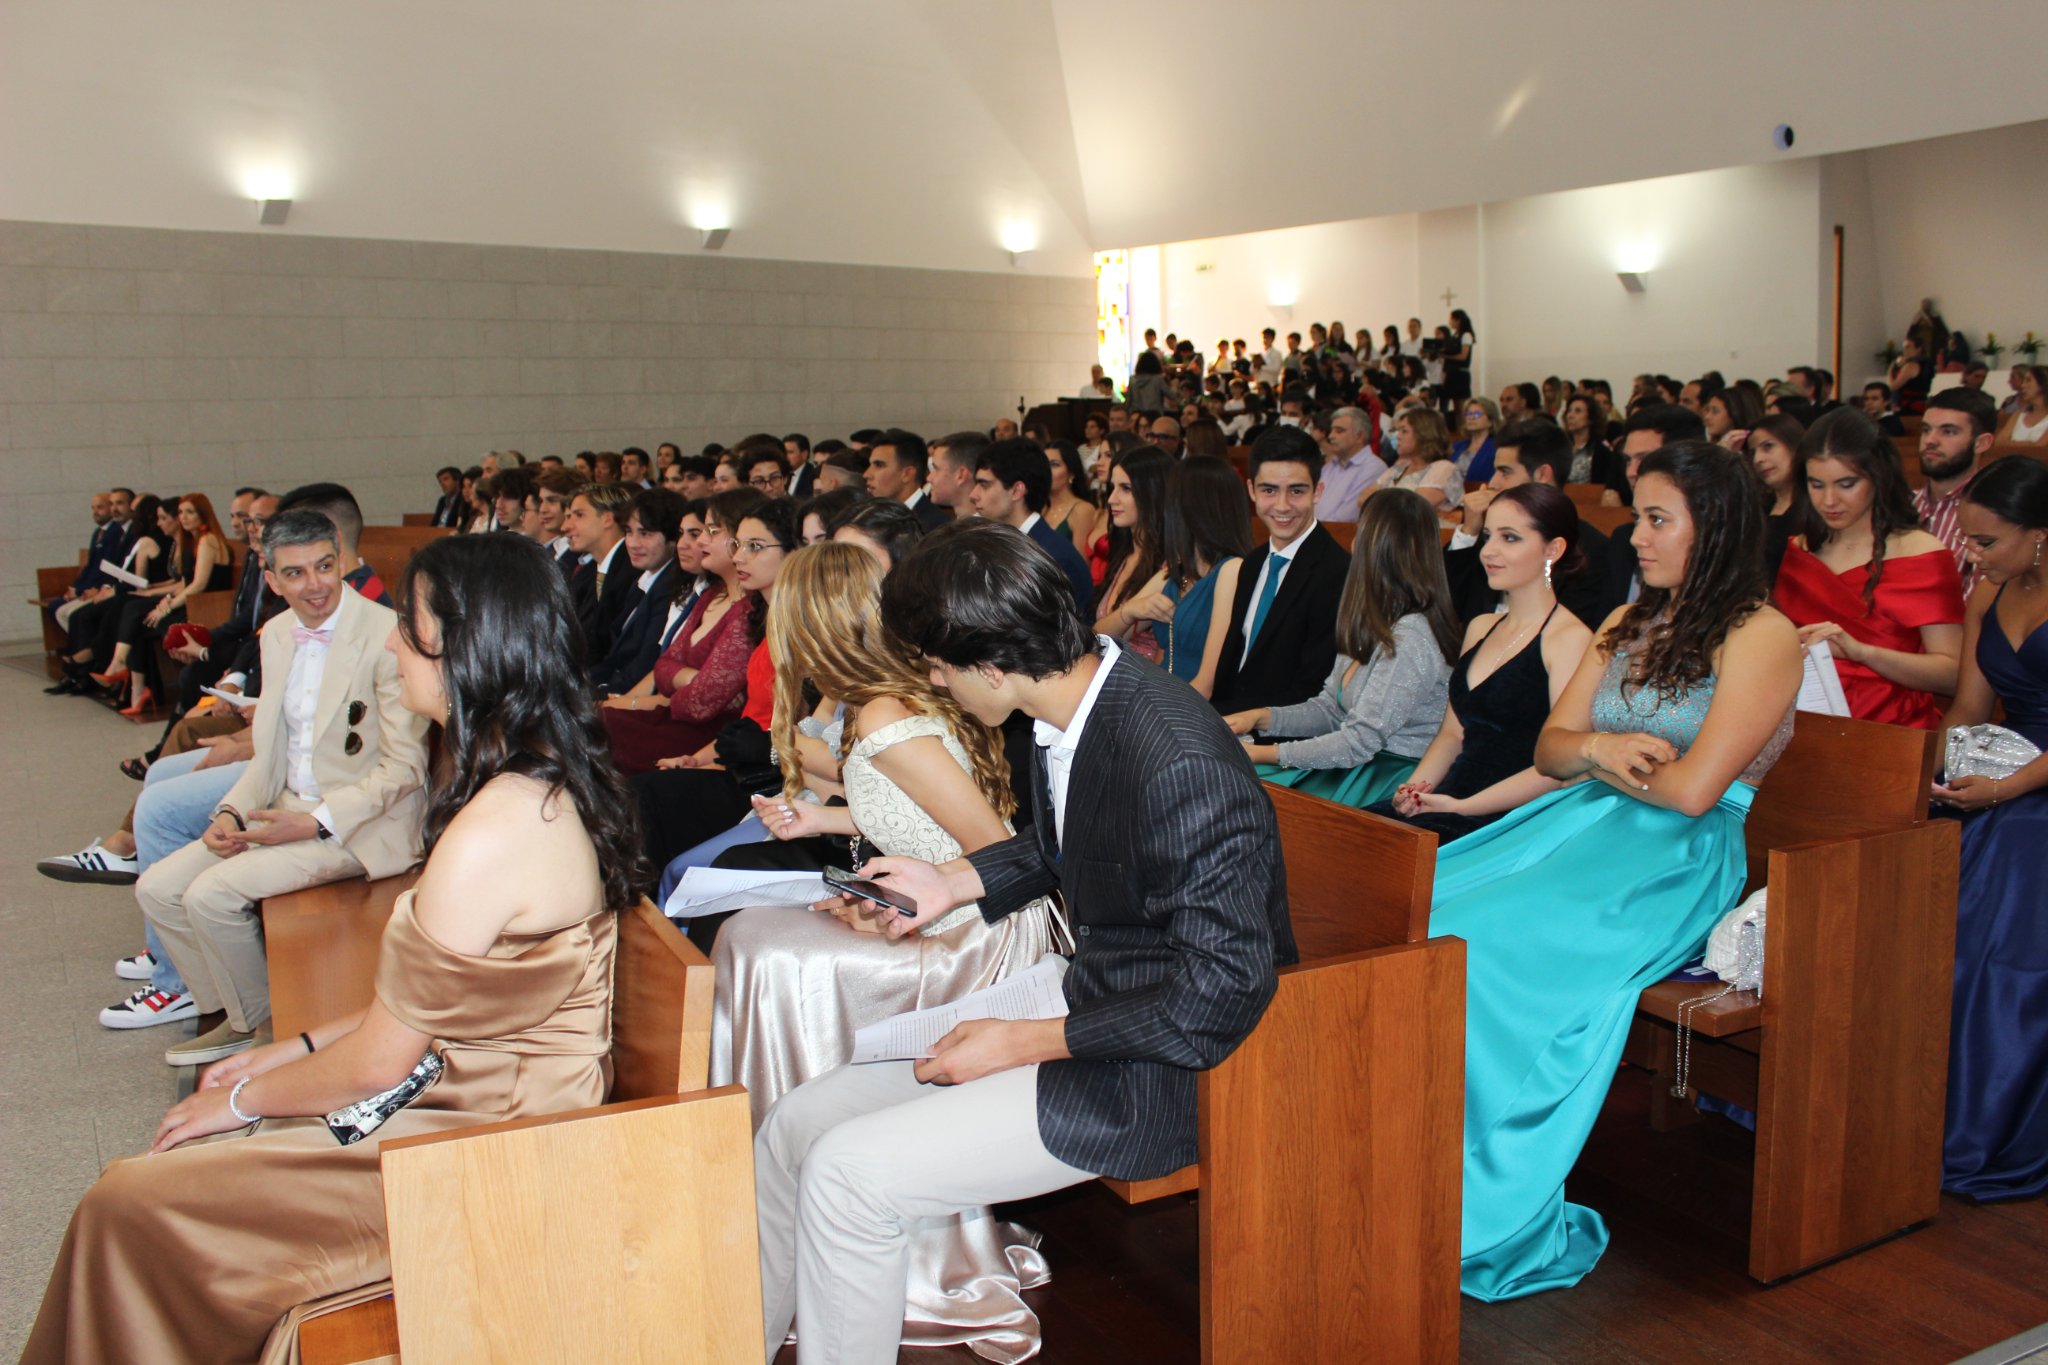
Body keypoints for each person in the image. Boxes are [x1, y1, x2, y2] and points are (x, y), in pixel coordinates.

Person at [22, 533, 645, 1365]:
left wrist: (248, 1098)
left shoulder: (500, 824)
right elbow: (439, 996)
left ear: (468, 649)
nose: (391, 643)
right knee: (189, 1160)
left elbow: (384, 1059)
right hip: (470, 1089)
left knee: (132, 1200)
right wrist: (294, 1047)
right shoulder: (525, 782)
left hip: (484, 1144)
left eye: (409, 627)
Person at [750, 519, 1293, 1364]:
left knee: (848, 1176)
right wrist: (953, 880)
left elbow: (1219, 995)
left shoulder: (1176, 756)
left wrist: (1021, 1041)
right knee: (795, 1123)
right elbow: (1065, 841)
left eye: (939, 664)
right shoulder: (1071, 708)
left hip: (1158, 1067)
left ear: (994, 666)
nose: (933, 679)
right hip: (1097, 1001)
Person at [1434, 440, 1802, 1299]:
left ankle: (1484, 1189)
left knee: (1484, 945)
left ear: (1714, 528)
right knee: (1434, 909)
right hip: (1582, 823)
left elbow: (1696, 791)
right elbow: (1551, 749)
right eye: (1639, 517)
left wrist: (1595, 757)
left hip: (1675, 855)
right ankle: (1415, 1148)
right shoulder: (1626, 622)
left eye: (1657, 519)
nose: (1636, 536)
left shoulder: (1763, 635)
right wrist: (1600, 749)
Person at [135, 508, 432, 1068]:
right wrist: (230, 813)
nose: (315, 584)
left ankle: (266, 1030)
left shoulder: (385, 635)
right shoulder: (276, 633)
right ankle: (235, 1013)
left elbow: (406, 767)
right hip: (287, 807)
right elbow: (272, 754)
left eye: (324, 565)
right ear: (271, 578)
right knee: (157, 888)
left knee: (210, 895)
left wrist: (315, 822)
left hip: (361, 825)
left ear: (341, 560)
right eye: (295, 573)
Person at [1935, 456, 2048, 1199]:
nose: (1972, 555)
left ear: (2040, 534)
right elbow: (1969, 711)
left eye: (1987, 541)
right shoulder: (1989, 590)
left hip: (2029, 788)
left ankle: (1982, 1120)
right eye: (1969, 539)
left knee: (2005, 874)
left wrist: (2003, 789)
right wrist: (1922, 776)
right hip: (1997, 773)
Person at [1370, 485, 1594, 842]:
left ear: (1553, 549)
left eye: (1510, 538)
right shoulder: (1480, 626)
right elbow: (1452, 734)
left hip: (1512, 815)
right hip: (1451, 796)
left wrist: (1463, 807)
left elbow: (1557, 769)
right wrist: (1414, 790)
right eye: (1488, 536)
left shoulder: (1570, 639)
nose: (1489, 551)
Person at [1226, 489, 1459, 806]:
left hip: (1386, 775)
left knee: (1245, 786)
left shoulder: (1412, 635)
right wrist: (1259, 718)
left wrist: (1260, 753)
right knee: (1235, 779)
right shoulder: (1372, 619)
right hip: (1358, 764)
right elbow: (1330, 709)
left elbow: (1359, 742)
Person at [1774, 409, 1965, 729]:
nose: (1829, 500)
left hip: (1891, 729)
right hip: (1801, 722)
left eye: (1846, 484)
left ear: (1878, 478)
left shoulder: (1921, 554)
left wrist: (1862, 653)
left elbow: (1953, 675)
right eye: (1816, 485)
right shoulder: (1798, 549)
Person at [601, 492, 785, 772]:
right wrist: (691, 677)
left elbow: (701, 702)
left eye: (711, 531)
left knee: (599, 735)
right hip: (679, 720)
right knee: (594, 725)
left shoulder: (749, 611)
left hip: (710, 733)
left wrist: (666, 693)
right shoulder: (712, 593)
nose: (699, 542)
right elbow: (662, 666)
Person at [1209, 426, 1348, 715]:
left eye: (1296, 491)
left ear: (1318, 491)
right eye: (1269, 490)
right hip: (1229, 720)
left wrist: (1237, 722)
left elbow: (1312, 690)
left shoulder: (1338, 572)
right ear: (1252, 490)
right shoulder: (1253, 563)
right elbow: (1233, 664)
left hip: (1285, 732)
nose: (1282, 506)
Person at [1445, 418, 1612, 630]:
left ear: (1542, 475)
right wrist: (1468, 531)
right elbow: (1447, 605)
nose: (1493, 482)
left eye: (1505, 471)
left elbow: (1566, 632)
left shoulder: (1590, 549)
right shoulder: (1487, 533)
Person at [1152, 456, 1252, 696]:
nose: (1166, 510)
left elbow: (1206, 684)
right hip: (1166, 694)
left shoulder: (1231, 570)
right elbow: (1103, 631)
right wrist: (1130, 611)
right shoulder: (1181, 571)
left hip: (1191, 706)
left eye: (1171, 500)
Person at [968, 437, 1095, 618]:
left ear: (1016, 491)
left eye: (984, 484)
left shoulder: (1053, 557)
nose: (973, 495)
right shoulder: (1012, 543)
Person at [589, 487, 690, 696]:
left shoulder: (672, 588)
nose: (633, 543)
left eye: (645, 534)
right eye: (628, 532)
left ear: (673, 538)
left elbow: (645, 665)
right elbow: (613, 658)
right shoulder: (643, 580)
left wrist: (595, 693)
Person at [1915, 385, 2002, 586]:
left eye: (1948, 431)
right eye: (1926, 430)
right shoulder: (1901, 503)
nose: (1930, 440)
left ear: (1981, 443)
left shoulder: (1997, 513)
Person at [1092, 446, 1173, 663]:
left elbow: (1101, 640)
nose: (1111, 499)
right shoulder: (1126, 555)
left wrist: (1126, 612)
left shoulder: (1169, 568)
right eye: (1112, 487)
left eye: (1126, 488)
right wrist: (1127, 611)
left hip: (1140, 679)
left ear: (1153, 493)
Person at [562, 481, 638, 660]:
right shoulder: (592, 570)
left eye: (579, 515)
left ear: (607, 519)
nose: (565, 527)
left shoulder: (631, 572)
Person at [1362, 406, 1462, 512]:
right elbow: (1363, 499)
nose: (1397, 436)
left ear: (1425, 434)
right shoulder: (1400, 467)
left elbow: (1412, 507)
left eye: (1404, 431)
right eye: (1397, 431)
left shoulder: (1444, 468)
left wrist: (1379, 500)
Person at [1744, 413, 1806, 578]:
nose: (1758, 459)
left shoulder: (1816, 505)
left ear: (1794, 445)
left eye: (1768, 446)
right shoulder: (1759, 506)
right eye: (1752, 453)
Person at [1313, 406, 1389, 522]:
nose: (1331, 436)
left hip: (1337, 531)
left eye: (1339, 431)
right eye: (1332, 430)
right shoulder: (1329, 466)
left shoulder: (1373, 467)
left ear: (1359, 436)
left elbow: (1348, 516)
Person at [1043, 437, 1098, 549]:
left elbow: (1080, 559)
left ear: (1071, 473)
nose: (1046, 471)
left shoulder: (1082, 510)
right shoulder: (1042, 509)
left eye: (1054, 465)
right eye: (1043, 465)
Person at [1995, 364, 2048, 445]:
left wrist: (2012, 443)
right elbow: (1999, 442)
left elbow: (2040, 446)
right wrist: (2028, 443)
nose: (2023, 385)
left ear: (2042, 385)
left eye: (2028, 380)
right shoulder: (2019, 415)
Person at [1451, 395, 1500, 482]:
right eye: (1468, 414)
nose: (1471, 417)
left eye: (1477, 414)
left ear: (1490, 421)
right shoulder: (1457, 446)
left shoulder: (1496, 448)